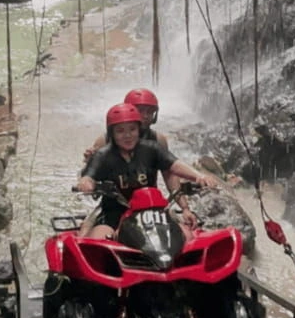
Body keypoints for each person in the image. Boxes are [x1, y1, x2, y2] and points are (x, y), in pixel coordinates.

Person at [77, 103, 218, 239]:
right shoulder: (103, 155)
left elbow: (174, 165)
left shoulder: (152, 148)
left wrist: (199, 176)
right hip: (114, 213)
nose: (127, 135)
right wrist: (86, 184)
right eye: (120, 131)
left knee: (186, 236)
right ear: (111, 133)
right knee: (97, 239)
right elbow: (89, 176)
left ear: (139, 130)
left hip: (153, 210)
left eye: (132, 129)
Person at [82, 88, 197, 226]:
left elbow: (170, 172)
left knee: (179, 229)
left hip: (149, 202)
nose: (146, 115)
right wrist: (88, 173)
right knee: (87, 228)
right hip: (115, 205)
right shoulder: (104, 142)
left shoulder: (157, 141)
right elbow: (91, 173)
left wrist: (184, 207)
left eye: (150, 111)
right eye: (141, 110)